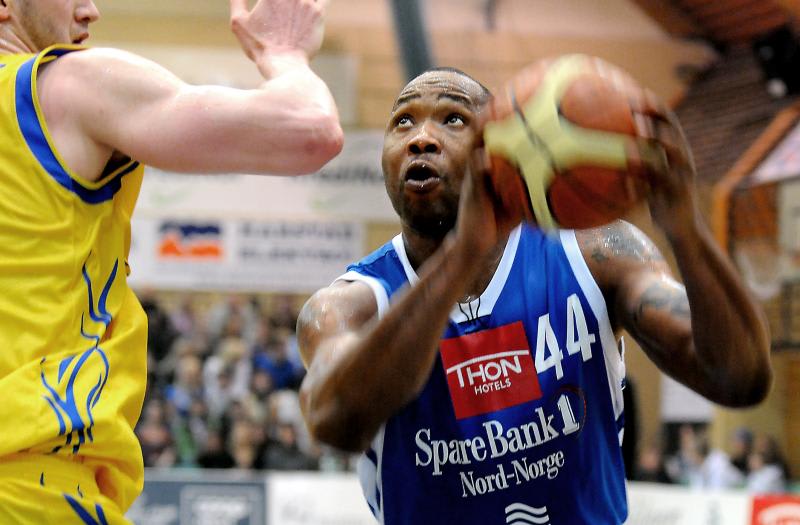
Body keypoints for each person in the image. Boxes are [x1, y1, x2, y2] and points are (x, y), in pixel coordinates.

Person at [296, 67, 772, 524]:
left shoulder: (598, 255)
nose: (421, 137)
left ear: (500, 148)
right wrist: (463, 256)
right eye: (403, 121)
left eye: (453, 118)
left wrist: (687, 230)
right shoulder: (348, 307)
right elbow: (335, 423)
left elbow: (740, 377)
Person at [0, 0, 342, 522]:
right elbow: (308, 129)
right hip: (27, 489)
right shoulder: (66, 85)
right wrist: (285, 53)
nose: (91, 11)